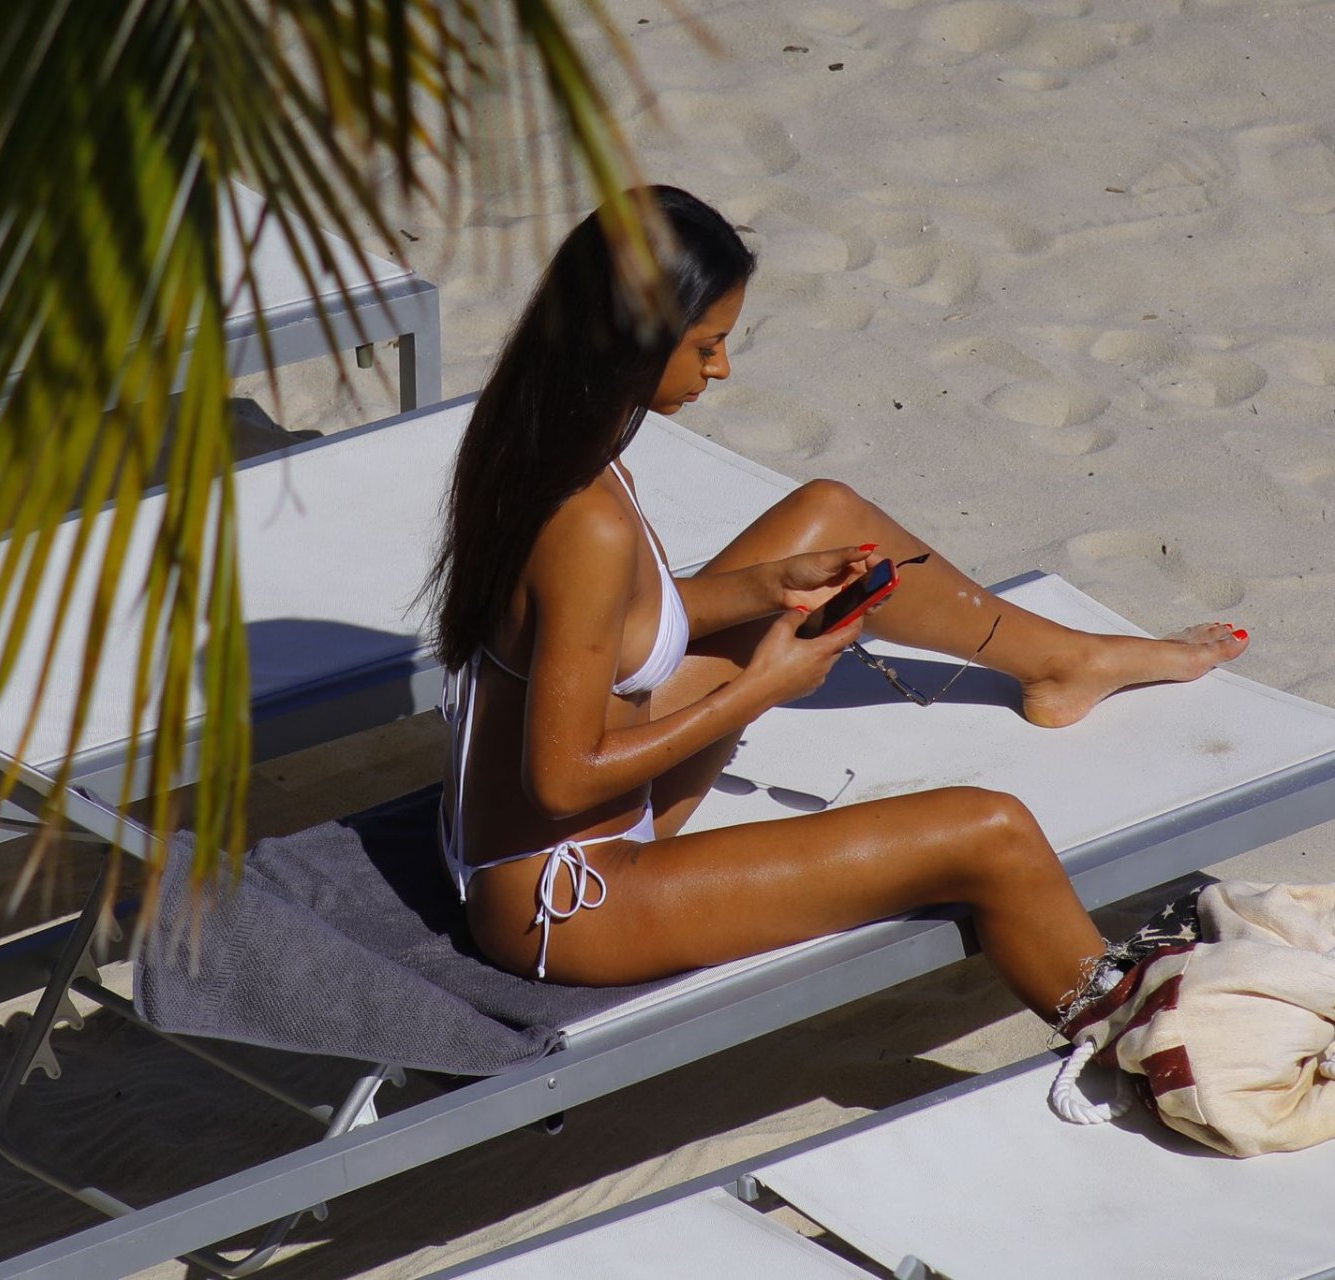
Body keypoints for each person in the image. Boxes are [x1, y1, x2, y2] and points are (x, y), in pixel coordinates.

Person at [422, 186, 1249, 1019]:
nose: (721, 368)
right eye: (707, 344)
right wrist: (762, 688)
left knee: (830, 513)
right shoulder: (587, 522)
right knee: (990, 834)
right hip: (571, 899)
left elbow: (604, 622)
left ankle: (1066, 662)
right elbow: (561, 782)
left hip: (555, 834)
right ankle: (1132, 1034)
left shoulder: (540, 437)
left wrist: (764, 588)